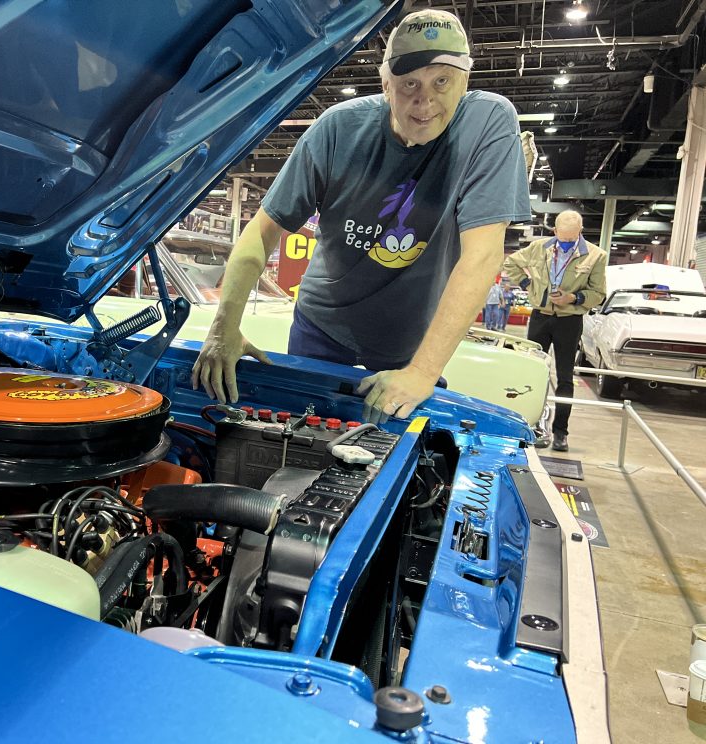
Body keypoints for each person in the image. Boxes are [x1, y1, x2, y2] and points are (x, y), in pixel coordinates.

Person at [191, 9, 531, 421]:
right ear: (386, 84)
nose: (425, 100)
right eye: (409, 84)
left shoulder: (489, 123)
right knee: (303, 435)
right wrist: (224, 326)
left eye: (442, 81)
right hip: (322, 327)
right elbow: (261, 232)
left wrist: (422, 371)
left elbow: (482, 255)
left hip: (410, 340)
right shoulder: (338, 129)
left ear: (465, 79)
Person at [503, 210, 607, 451]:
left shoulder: (596, 256)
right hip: (540, 317)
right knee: (530, 373)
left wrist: (574, 297)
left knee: (564, 378)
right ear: (555, 231)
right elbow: (511, 263)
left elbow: (598, 293)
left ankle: (561, 432)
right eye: (563, 238)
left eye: (572, 239)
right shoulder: (539, 248)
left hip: (569, 321)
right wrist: (530, 287)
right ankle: (527, 424)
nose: (567, 243)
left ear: (580, 232)